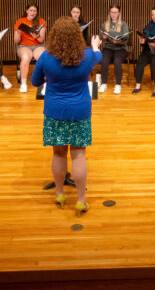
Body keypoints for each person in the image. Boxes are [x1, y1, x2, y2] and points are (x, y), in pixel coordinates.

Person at [31, 16, 102, 217]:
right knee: (79, 155)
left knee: (59, 154)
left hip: (55, 112)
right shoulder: (87, 56)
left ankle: (60, 194)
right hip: (79, 111)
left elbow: (35, 82)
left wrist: (47, 72)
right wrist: (95, 45)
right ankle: (81, 201)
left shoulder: (45, 57)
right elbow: (99, 56)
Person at [14, 3, 47, 93]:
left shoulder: (41, 21)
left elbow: (41, 40)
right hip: (24, 46)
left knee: (42, 57)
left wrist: (37, 37)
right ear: (27, 11)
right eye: (31, 10)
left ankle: (44, 82)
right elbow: (16, 41)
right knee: (25, 57)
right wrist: (17, 33)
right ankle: (23, 83)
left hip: (38, 45)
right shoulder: (20, 21)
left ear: (37, 12)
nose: (32, 12)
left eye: (35, 11)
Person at [99, 4, 130, 94]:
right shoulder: (105, 24)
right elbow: (101, 36)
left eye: (115, 12)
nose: (113, 14)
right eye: (112, 12)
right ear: (109, 12)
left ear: (119, 13)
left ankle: (118, 85)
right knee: (104, 61)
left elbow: (126, 38)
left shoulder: (123, 24)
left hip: (120, 48)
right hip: (108, 48)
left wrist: (119, 41)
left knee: (117, 61)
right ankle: (104, 83)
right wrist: (104, 37)